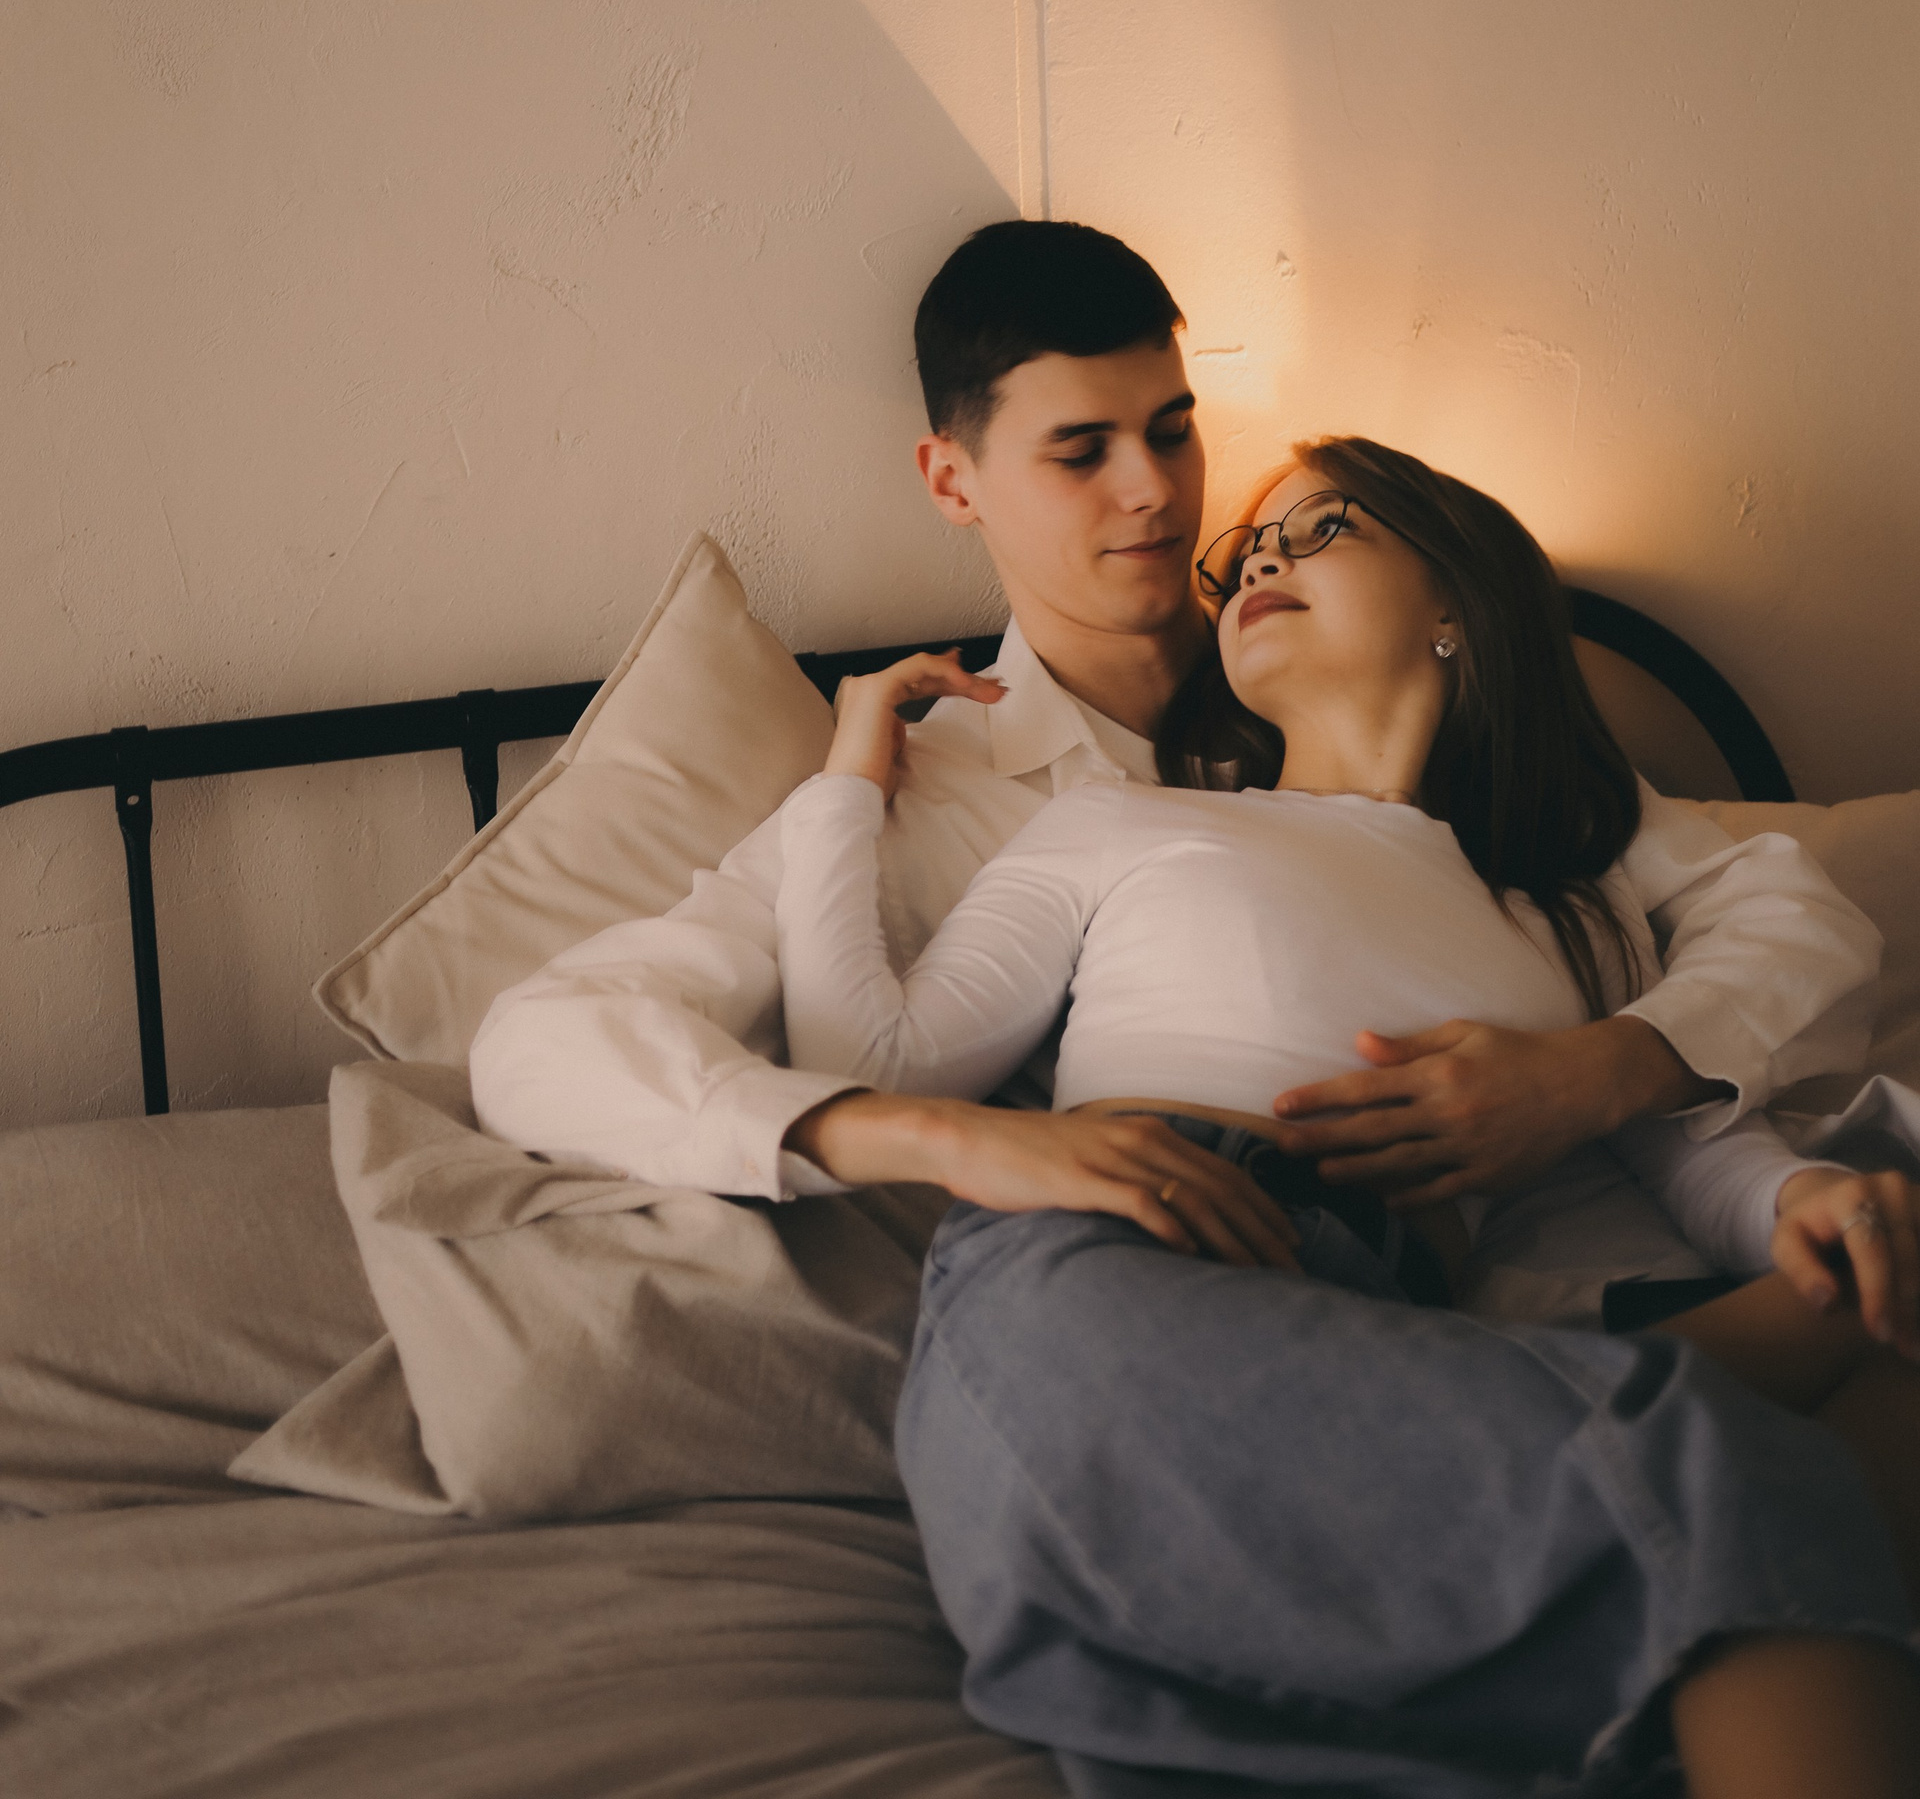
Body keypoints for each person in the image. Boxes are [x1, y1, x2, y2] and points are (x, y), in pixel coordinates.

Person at [772, 438, 1920, 1799]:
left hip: (1380, 1332)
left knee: (1853, 1371)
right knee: (1732, 1477)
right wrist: (847, 781)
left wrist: (1803, 1201)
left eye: (1323, 527)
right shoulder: (1115, 824)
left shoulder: (1568, 914)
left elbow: (1681, 1140)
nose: (1262, 554)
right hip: (1107, 1279)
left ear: (1455, 607)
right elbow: (867, 1059)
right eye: (1248, 548)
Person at [471, 220, 1878, 1267]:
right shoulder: (914, 797)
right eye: (1080, 452)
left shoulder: (1384, 697)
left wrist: (1610, 1069)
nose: (1154, 492)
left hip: (1461, 1284)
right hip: (1126, 1282)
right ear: (952, 480)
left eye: (1172, 430)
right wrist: (934, 1135)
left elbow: (1773, 907)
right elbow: (546, 1042)